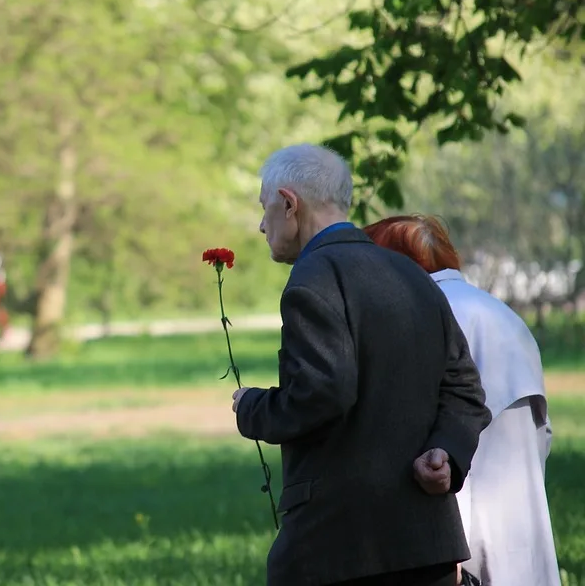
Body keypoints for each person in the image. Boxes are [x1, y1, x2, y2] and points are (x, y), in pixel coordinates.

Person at [231, 144, 492, 586]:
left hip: (340, 547)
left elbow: (324, 390)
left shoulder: (313, 278)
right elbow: (465, 388)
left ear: (289, 203)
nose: (261, 224)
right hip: (428, 544)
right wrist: (445, 450)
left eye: (265, 207)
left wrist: (251, 408)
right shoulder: (412, 274)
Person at [364, 214, 562, 586]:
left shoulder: (425, 314)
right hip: (520, 512)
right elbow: (542, 433)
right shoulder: (500, 312)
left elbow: (430, 439)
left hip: (459, 532)